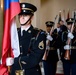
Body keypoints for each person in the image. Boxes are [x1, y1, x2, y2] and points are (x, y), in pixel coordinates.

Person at [6, 2, 46, 75]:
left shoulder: (38, 34)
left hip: (30, 72)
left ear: (32, 17)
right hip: (15, 71)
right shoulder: (14, 33)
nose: (22, 17)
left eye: (26, 15)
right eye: (20, 14)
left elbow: (35, 58)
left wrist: (14, 61)